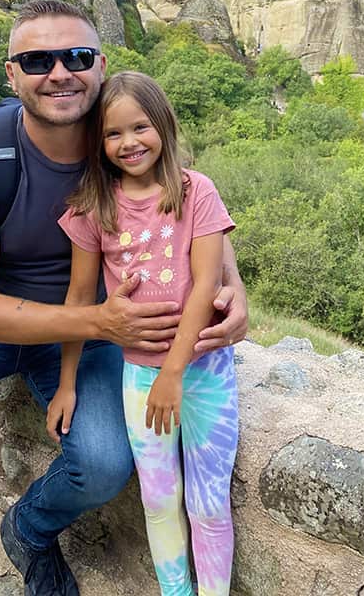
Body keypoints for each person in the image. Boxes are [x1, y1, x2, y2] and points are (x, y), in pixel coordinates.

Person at [0, 0, 248, 596]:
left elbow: (188, 215)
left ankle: (28, 527)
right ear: (11, 73)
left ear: (100, 65)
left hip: (90, 335)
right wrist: (99, 320)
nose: (60, 72)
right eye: (38, 59)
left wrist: (234, 290)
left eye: (76, 56)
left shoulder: (125, 141)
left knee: (100, 467)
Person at [49, 71, 238, 596]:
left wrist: (174, 371)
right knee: (158, 500)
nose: (129, 143)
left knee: (207, 502)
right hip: (138, 375)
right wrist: (67, 382)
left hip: (201, 371)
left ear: (163, 125)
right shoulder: (93, 208)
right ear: (99, 143)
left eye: (140, 127)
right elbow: (78, 300)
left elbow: (206, 283)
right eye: (113, 134)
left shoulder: (193, 190)